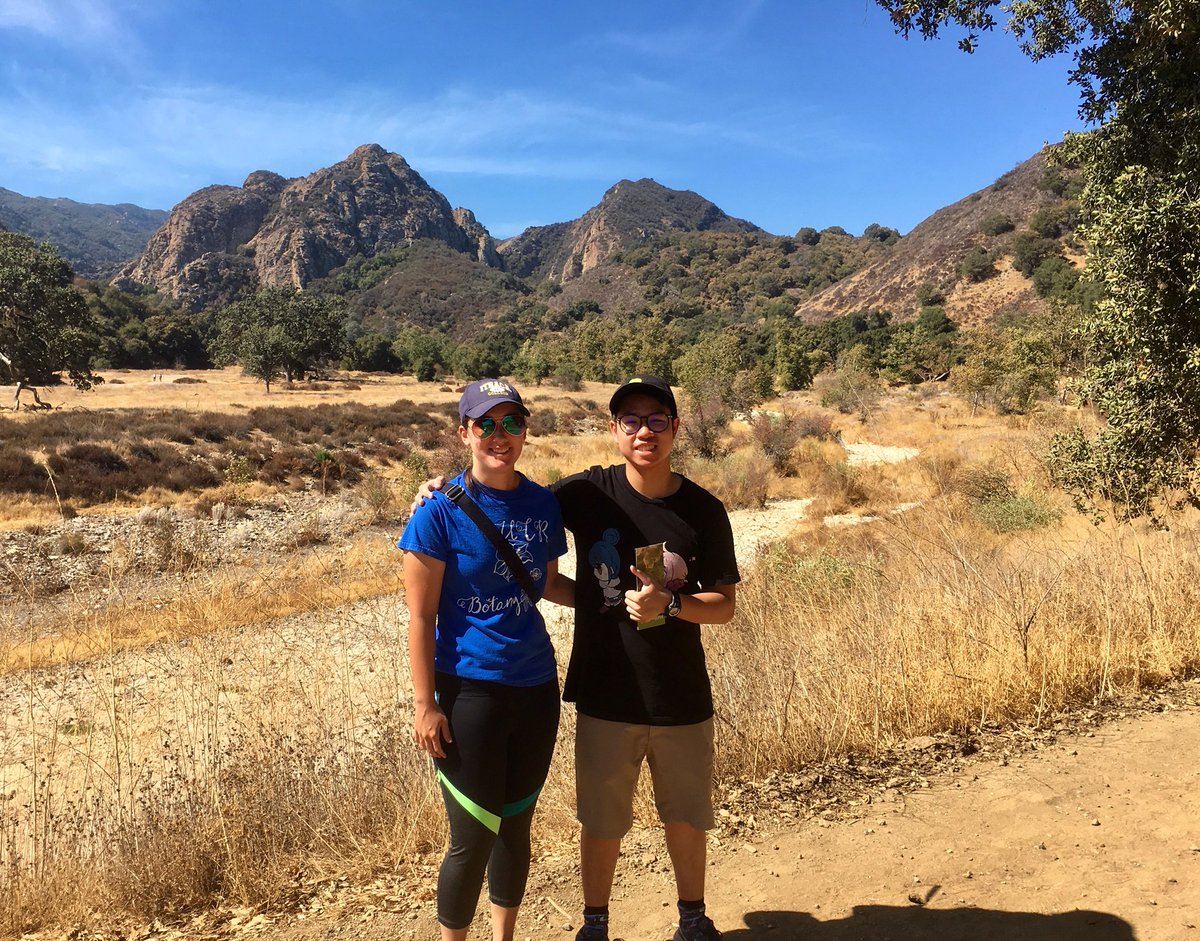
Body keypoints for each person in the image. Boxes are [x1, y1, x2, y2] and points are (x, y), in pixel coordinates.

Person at [418, 375, 740, 941]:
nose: (644, 432)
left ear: (675, 428)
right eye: (631, 421)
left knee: (687, 816)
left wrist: (672, 603)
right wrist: (440, 491)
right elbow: (507, 494)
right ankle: (595, 925)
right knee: (602, 820)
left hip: (681, 692)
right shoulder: (586, 492)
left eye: (656, 420)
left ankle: (692, 919)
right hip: (604, 690)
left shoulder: (704, 510)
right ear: (614, 429)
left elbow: (724, 606)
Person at [399, 378, 572, 941]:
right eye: (487, 425)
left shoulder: (542, 503)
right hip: (468, 691)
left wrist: (612, 600)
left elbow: (547, 584)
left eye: (512, 423)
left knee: (515, 828)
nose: (501, 436)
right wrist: (425, 705)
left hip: (536, 686)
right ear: (464, 433)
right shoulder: (436, 512)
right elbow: (421, 617)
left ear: (525, 431)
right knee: (472, 837)